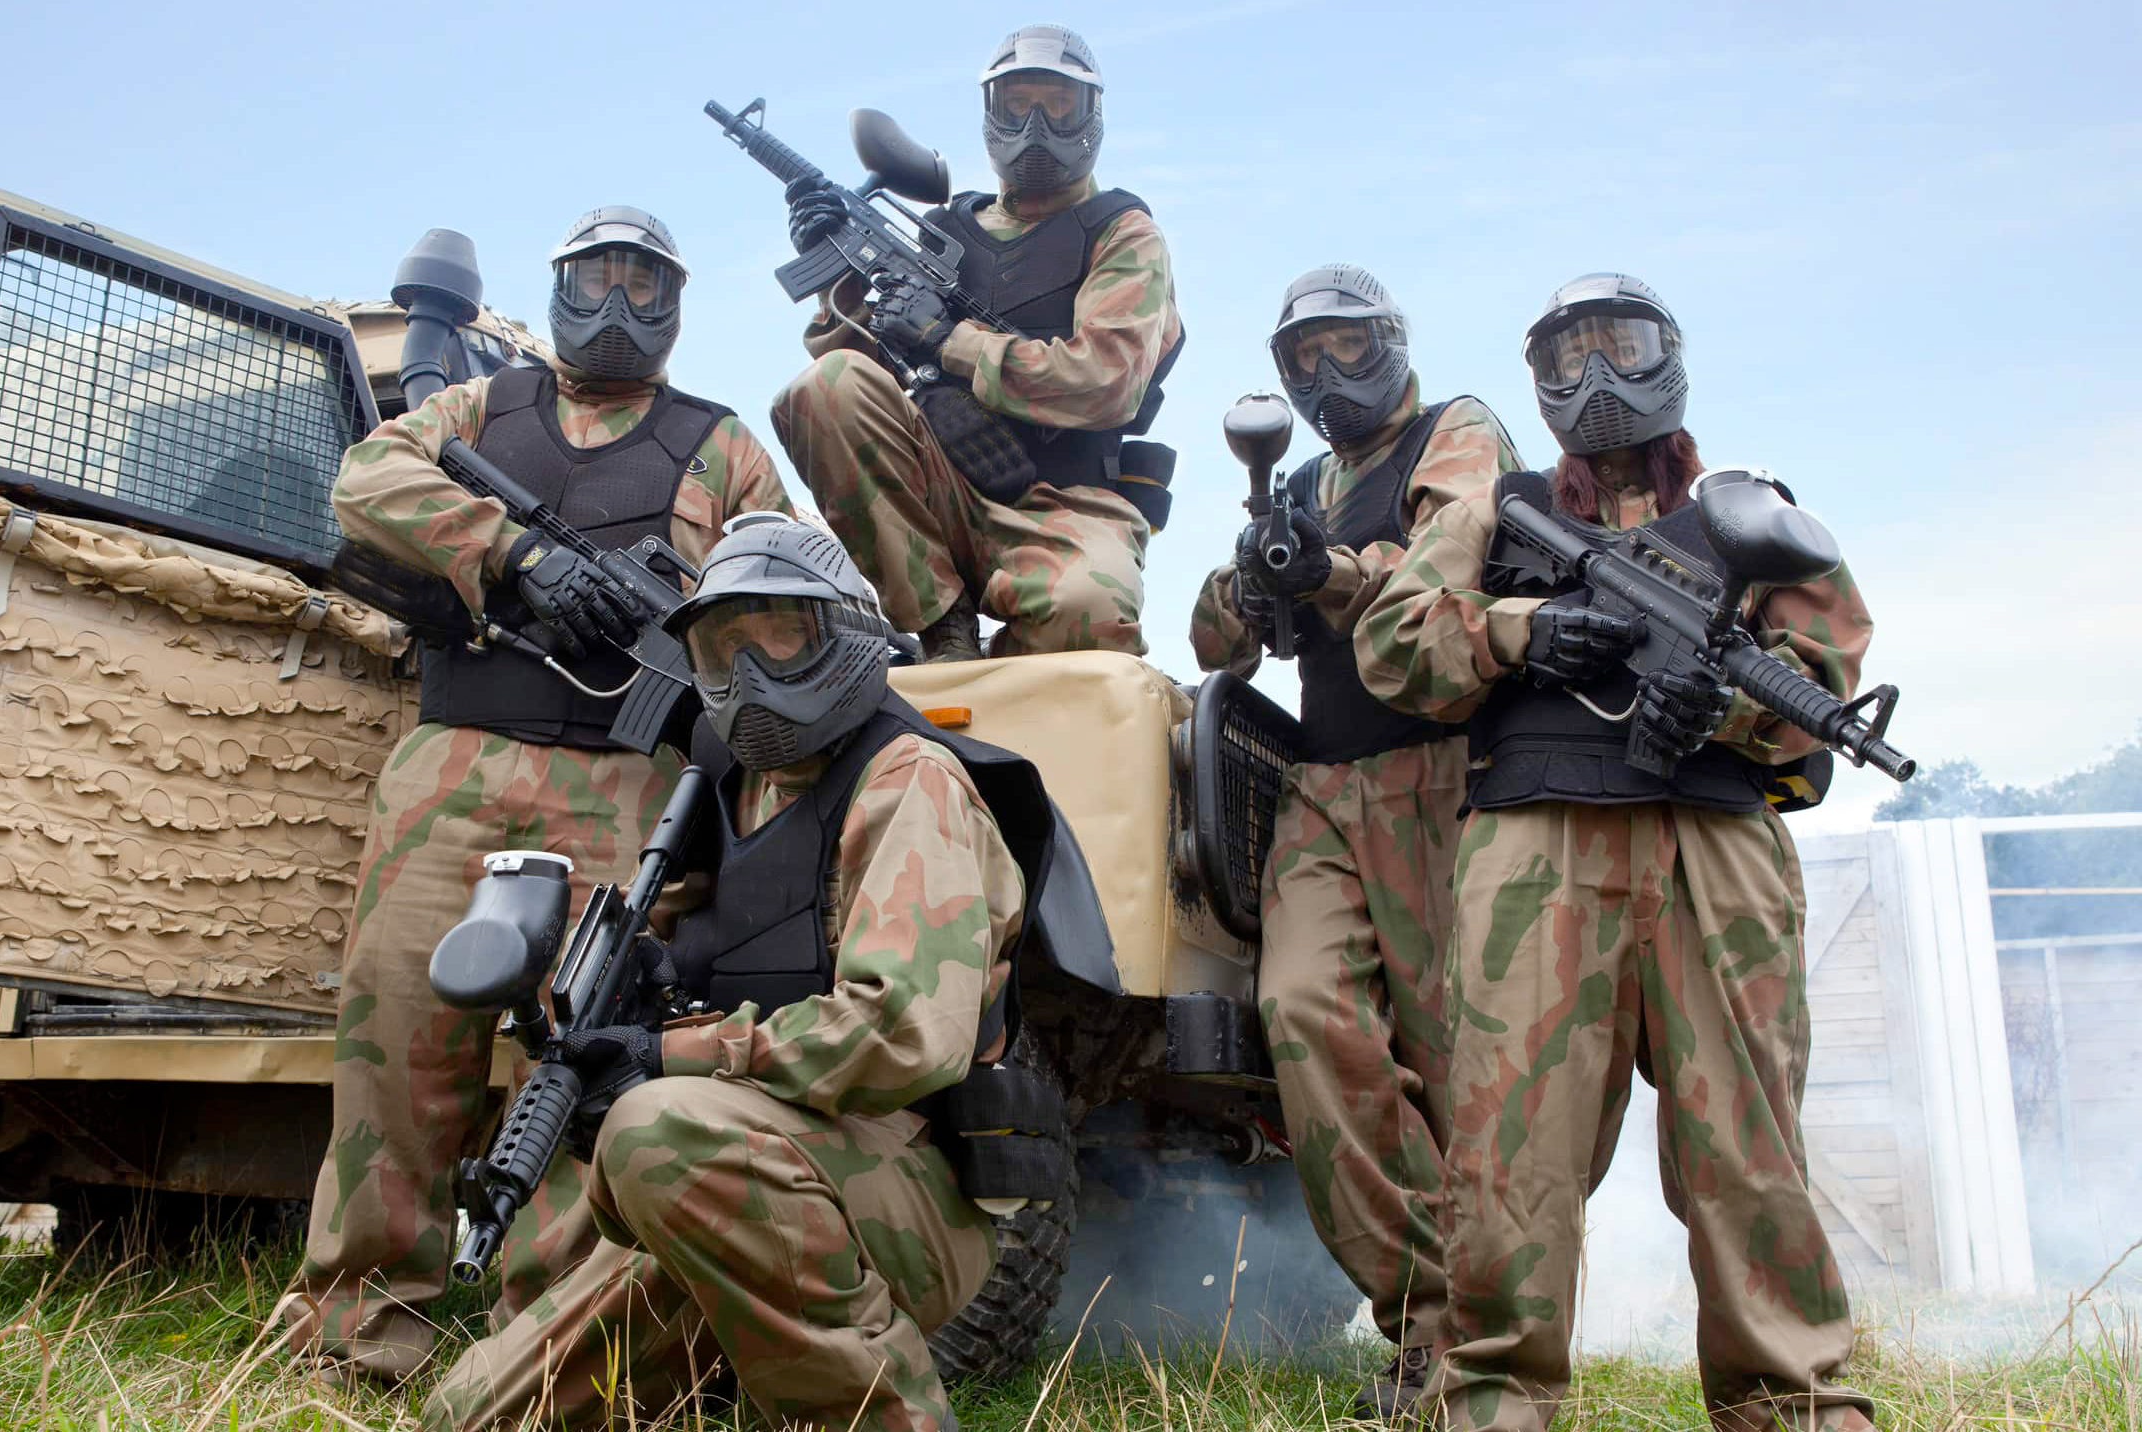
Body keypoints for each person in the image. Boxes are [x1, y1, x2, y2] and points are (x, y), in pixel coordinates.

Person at [1354, 273, 1877, 1431]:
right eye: (1566, 356)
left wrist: (1726, 708)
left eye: (1620, 348)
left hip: (1716, 840)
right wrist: (1520, 632)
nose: (1595, 379)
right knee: (1511, 1149)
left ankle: (1789, 1396)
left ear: (1671, 357)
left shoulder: (1754, 513)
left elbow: (1821, 680)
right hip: (1537, 840)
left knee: (1747, 1142)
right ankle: (1493, 1392)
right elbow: (1391, 644)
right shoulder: (1496, 508)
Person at [279, 206, 792, 1382]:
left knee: (584, 1056)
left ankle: (542, 1342)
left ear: (676, 303)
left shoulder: (723, 446)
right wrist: (513, 554)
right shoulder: (481, 409)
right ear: (559, 285)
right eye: (595, 279)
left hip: (624, 785)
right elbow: (367, 479)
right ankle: (357, 1324)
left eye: (645, 286)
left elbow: (786, 590)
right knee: (398, 1036)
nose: (617, 306)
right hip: (451, 765)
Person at [424, 513, 1058, 1432]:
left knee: (656, 1128)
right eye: (727, 649)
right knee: (471, 1416)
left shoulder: (907, 781)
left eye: (780, 635)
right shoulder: (732, 787)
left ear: (840, 634)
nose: (754, 675)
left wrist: (670, 1053)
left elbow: (903, 1034)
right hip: (753, 1166)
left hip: (908, 1183)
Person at [1188, 263, 1523, 1420]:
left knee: (1450, 1062)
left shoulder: (1456, 432)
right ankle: (1426, 1316)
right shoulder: (1307, 483)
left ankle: (1483, 1339)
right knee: (1302, 1015)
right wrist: (1253, 571)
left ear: (1393, 337)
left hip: (1443, 772)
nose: (1327, 373)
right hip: (1324, 786)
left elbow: (1438, 581)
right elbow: (1210, 642)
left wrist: (1332, 570)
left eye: (1345, 345)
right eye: (1302, 360)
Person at [771, 22, 1184, 661]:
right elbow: (859, 387)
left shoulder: (1121, 234)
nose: (1037, 126)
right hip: (946, 483)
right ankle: (942, 627)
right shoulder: (943, 230)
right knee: (821, 389)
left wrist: (951, 339)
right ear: (991, 113)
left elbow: (1107, 381)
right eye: (1018, 105)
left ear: (1091, 116)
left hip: (1064, 503)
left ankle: (1016, 705)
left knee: (1089, 613)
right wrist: (842, 280)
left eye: (1058, 105)